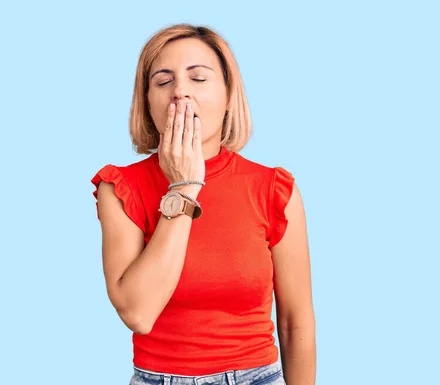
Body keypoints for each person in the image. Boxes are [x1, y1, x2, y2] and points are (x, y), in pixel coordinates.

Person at [91, 24, 316, 385]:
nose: (180, 92)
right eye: (163, 82)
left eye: (198, 78)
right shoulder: (119, 187)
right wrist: (184, 186)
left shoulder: (274, 189)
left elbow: (296, 322)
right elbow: (138, 312)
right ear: (147, 102)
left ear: (228, 94)